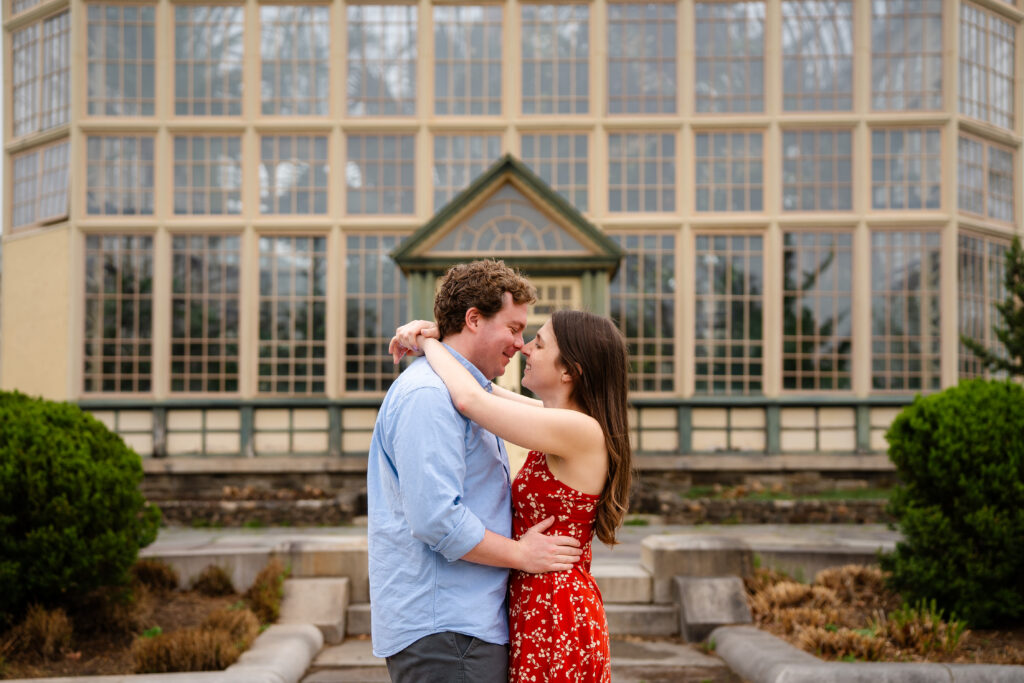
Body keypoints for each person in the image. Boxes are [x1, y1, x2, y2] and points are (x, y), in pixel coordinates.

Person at [367, 259, 584, 683]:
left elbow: (540, 415)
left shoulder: (469, 391)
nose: (521, 345)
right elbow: (438, 520)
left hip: (461, 628)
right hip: (448, 631)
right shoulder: (430, 396)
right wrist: (521, 554)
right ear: (473, 319)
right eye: (514, 328)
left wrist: (431, 341)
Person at [391, 308, 633, 683]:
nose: (525, 349)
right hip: (537, 599)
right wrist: (445, 341)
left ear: (569, 370)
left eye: (539, 343)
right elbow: (484, 389)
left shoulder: (578, 429)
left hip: (556, 608)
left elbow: (472, 401)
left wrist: (426, 341)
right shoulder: (560, 420)